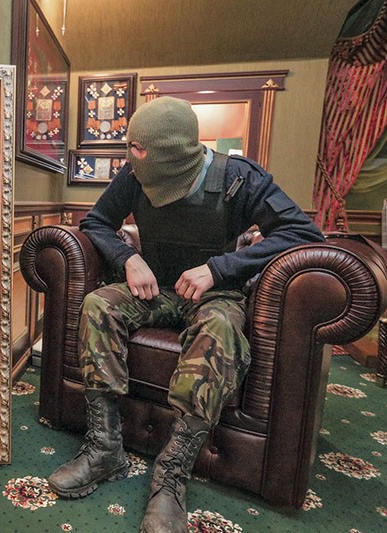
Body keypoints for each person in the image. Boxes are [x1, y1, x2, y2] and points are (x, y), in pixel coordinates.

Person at [46, 97, 325, 532]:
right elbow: (97, 221)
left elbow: (303, 233)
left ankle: (171, 473)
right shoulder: (133, 173)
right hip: (155, 287)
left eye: (141, 152)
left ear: (179, 155)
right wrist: (127, 258)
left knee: (220, 329)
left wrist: (220, 268)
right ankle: (104, 448)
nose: (133, 160)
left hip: (216, 294)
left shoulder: (238, 177)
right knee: (99, 303)